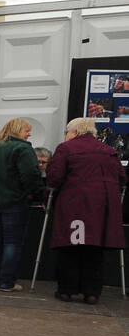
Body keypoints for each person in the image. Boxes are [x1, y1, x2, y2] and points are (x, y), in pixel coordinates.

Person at [46, 117, 127, 304]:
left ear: (75, 132)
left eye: (67, 132)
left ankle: (67, 290)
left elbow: (54, 178)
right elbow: (121, 177)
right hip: (103, 209)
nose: (66, 135)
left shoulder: (66, 149)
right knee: (94, 249)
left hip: (75, 206)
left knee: (71, 247)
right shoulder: (108, 150)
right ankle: (92, 293)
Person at [0, 118, 41, 292]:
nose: (29, 134)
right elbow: (31, 176)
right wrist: (33, 194)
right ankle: (6, 282)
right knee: (12, 243)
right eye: (27, 130)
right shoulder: (23, 149)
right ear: (18, 131)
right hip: (14, 204)